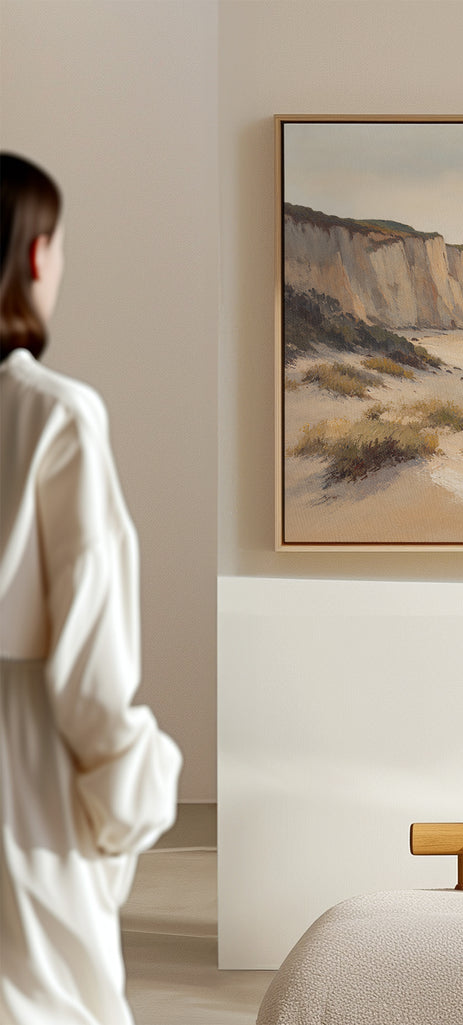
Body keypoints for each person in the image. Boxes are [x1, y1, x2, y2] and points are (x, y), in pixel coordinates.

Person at [0, 153, 182, 1025]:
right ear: (36, 255)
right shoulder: (54, 415)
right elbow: (89, 669)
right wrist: (132, 791)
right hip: (20, 768)